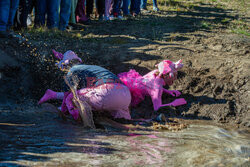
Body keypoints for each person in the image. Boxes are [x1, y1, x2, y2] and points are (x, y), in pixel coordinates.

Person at [38, 50, 132, 126]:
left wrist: (62, 112)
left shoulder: (72, 70)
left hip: (107, 94)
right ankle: (53, 94)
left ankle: (81, 124)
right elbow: (87, 91)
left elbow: (68, 97)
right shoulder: (91, 69)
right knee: (120, 121)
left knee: (71, 98)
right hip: (125, 95)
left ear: (67, 65)